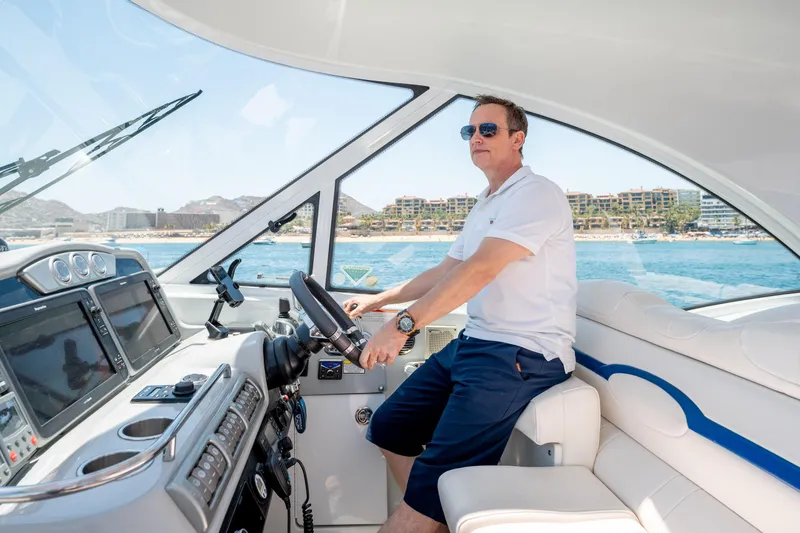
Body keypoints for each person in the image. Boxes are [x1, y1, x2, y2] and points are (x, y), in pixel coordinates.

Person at [343, 95, 577, 533]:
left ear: (518, 139)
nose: (476, 138)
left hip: (523, 354)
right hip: (475, 343)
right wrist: (377, 301)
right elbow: (445, 271)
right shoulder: (486, 202)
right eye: (470, 131)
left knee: (430, 487)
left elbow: (481, 269)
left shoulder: (536, 194)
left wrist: (402, 325)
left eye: (488, 129)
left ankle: (422, 515)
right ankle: (435, 518)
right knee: (390, 428)